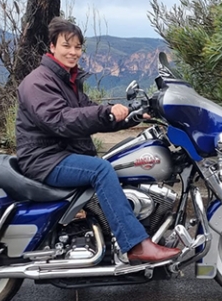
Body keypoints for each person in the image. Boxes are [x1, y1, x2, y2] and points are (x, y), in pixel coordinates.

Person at [15, 17, 181, 263]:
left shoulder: (65, 81)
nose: (73, 52)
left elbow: (89, 113)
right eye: (66, 46)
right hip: (44, 158)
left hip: (59, 152)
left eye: (78, 47)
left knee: (117, 162)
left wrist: (132, 117)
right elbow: (60, 120)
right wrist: (106, 112)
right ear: (52, 47)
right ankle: (135, 244)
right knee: (101, 170)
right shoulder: (38, 82)